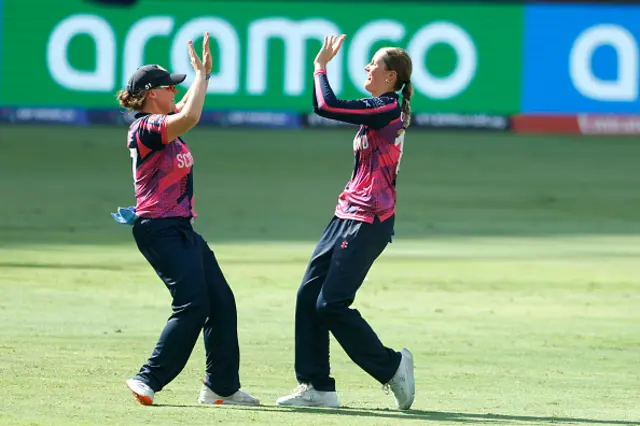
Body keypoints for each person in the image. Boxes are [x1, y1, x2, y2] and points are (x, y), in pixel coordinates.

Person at [112, 32, 259, 407]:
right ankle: (148, 378)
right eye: (168, 87)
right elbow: (191, 115)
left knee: (221, 302)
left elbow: (187, 111)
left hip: (180, 229)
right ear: (150, 94)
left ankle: (221, 387)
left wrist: (202, 76)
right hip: (159, 230)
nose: (174, 92)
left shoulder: (164, 122)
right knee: (192, 304)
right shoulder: (146, 127)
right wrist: (200, 78)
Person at [276, 35, 416, 411]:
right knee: (309, 296)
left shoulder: (386, 107)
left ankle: (392, 367)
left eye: (373, 63)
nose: (367, 68)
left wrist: (320, 66)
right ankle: (317, 386)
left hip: (370, 219)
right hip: (346, 214)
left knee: (331, 305)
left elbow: (326, 105)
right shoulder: (383, 105)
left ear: (390, 77)